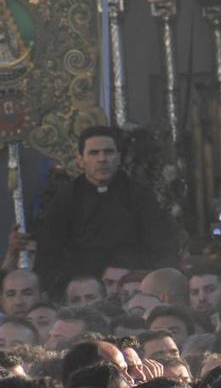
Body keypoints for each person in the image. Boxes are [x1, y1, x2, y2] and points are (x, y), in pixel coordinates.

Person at [16, 126, 177, 296]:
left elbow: (161, 245)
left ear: (119, 158)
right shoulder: (65, 201)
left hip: (132, 286)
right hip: (81, 290)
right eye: (94, 153)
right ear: (80, 160)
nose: (102, 159)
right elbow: (49, 253)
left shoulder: (140, 197)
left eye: (108, 152)